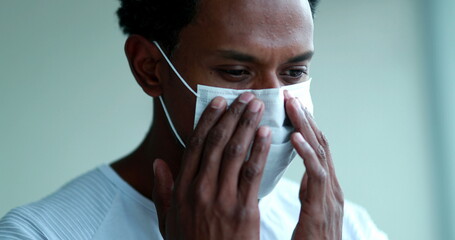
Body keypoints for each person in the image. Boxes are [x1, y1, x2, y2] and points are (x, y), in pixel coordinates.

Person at [0, 0, 388, 239]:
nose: (273, 104)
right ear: (150, 68)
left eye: (293, 73)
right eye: (237, 72)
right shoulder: (41, 233)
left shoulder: (342, 226)